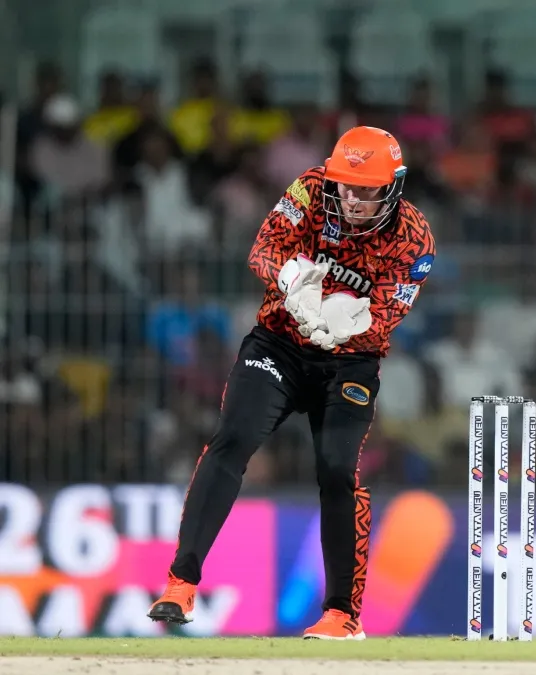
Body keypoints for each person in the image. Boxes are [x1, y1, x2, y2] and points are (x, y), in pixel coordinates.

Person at [147, 126, 436, 641]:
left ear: (392, 187)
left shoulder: (414, 238)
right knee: (232, 439)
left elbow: (388, 315)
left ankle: (342, 615)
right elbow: (264, 247)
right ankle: (180, 584)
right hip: (279, 343)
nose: (352, 199)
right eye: (346, 186)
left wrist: (351, 323)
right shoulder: (311, 186)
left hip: (349, 362)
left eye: (366, 190)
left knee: (337, 469)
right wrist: (290, 282)